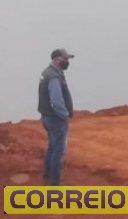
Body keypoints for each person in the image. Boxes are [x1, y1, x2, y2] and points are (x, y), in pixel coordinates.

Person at [38, 48, 75, 185]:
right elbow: (56, 100)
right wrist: (64, 115)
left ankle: (48, 175)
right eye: (65, 59)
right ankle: (55, 182)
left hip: (47, 116)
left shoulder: (50, 72)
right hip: (55, 118)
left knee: (52, 146)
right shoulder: (53, 76)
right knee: (58, 149)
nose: (67, 62)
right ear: (57, 60)